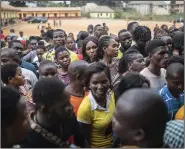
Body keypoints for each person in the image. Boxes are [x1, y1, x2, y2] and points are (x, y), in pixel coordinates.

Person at [21, 78, 85, 148]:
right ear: (45, 110)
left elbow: (81, 140)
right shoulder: (28, 139)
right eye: (64, 106)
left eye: (69, 102)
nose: (70, 108)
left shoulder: (68, 116)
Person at [77, 62, 115, 148]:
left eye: (104, 81)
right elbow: (85, 139)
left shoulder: (112, 94)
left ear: (109, 81)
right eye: (95, 83)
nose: (100, 86)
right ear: (88, 84)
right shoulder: (85, 108)